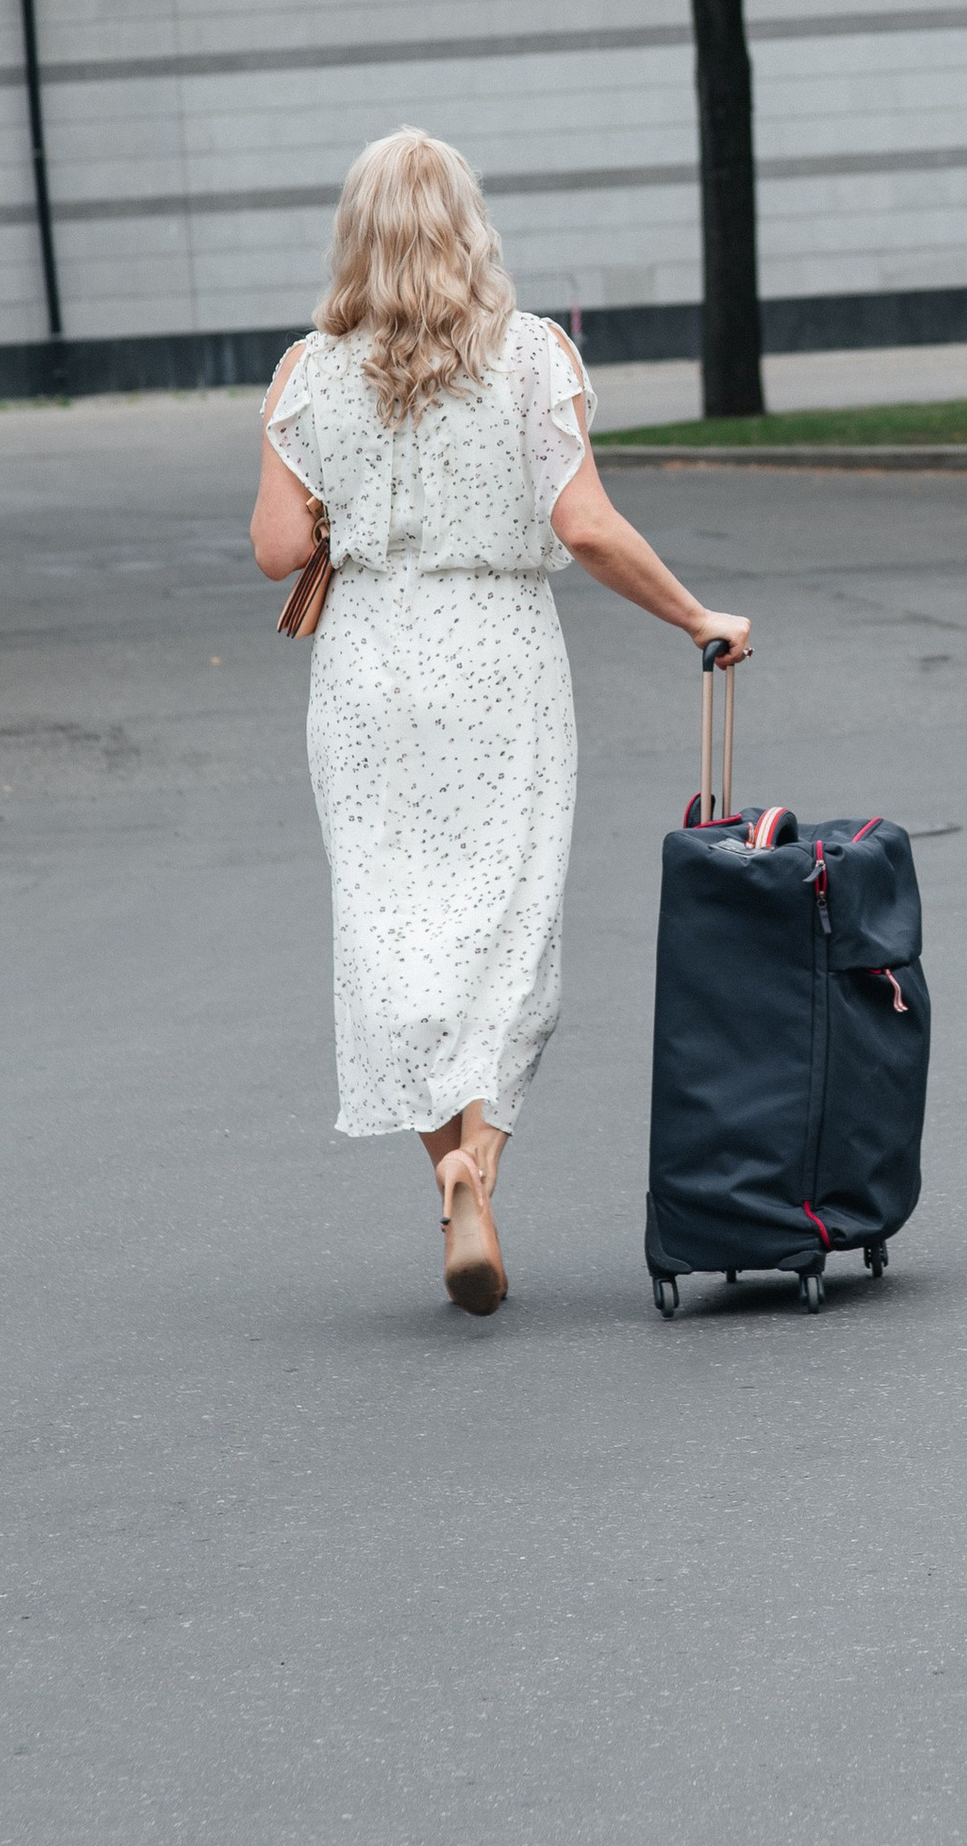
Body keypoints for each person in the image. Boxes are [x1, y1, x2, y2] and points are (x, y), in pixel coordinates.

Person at [250, 129, 752, 1317]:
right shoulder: (534, 359)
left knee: (390, 935)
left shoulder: (305, 372)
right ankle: (483, 1166)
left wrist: (361, 500)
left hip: (368, 670)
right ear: (469, 225)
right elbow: (582, 526)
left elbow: (277, 549)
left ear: (355, 235)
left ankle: (446, 1173)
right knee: (505, 923)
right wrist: (693, 614)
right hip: (496, 663)